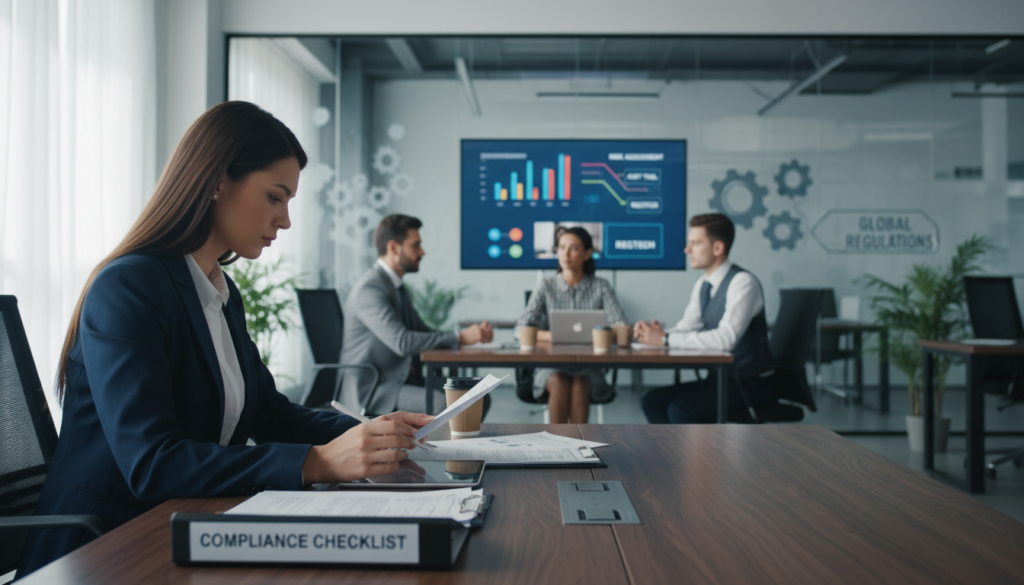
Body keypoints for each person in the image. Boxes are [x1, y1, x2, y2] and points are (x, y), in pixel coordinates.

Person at [16, 102, 431, 579]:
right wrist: (315, 463)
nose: (286, 220)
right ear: (216, 181)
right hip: (106, 550)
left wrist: (373, 434)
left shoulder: (218, 290)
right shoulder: (127, 288)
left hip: (185, 528)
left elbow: (266, 413)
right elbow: (152, 463)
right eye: (276, 197)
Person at [341, 214, 494, 416]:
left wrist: (464, 337)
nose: (422, 252)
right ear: (393, 248)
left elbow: (422, 331)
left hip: (400, 380)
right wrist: (460, 337)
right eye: (415, 246)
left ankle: (456, 447)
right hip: (376, 388)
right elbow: (402, 342)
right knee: (447, 404)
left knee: (478, 394)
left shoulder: (397, 288)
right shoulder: (370, 289)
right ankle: (442, 449)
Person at [635, 213, 774, 424]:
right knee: (652, 401)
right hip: (719, 380)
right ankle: (673, 457)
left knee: (680, 409)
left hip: (749, 383)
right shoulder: (704, 285)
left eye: (696, 243)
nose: (687, 250)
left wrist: (665, 339)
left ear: (718, 248)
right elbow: (687, 327)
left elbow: (725, 340)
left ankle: (696, 458)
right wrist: (654, 336)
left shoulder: (743, 283)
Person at [516, 227, 628, 423]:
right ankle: (555, 450)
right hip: (550, 367)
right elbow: (521, 329)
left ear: (586, 254)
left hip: (590, 367)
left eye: (574, 248)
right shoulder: (545, 285)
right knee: (559, 382)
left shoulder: (601, 286)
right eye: (561, 247)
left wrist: (601, 335)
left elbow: (621, 326)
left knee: (579, 385)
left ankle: (579, 448)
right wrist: (555, 336)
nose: (565, 254)